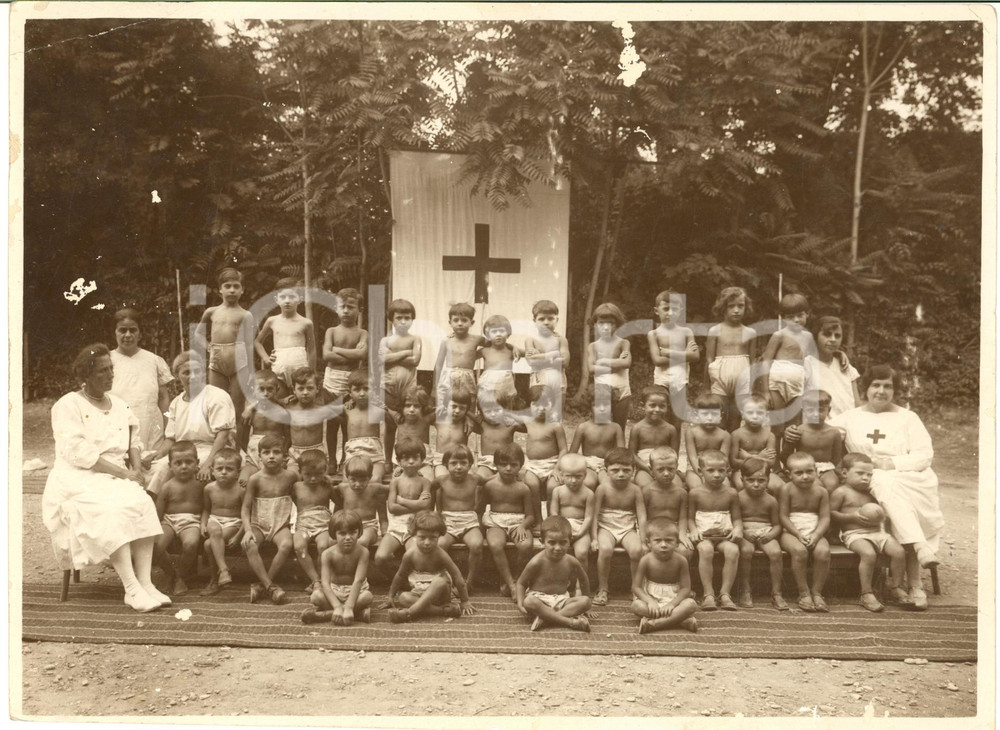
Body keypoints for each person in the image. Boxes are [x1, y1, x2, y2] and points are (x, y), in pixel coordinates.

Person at [43, 343, 166, 613]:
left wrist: (136, 472)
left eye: (111, 369)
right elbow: (79, 453)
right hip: (78, 477)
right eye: (102, 371)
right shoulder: (68, 405)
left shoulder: (119, 403)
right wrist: (124, 473)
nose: (109, 376)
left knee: (141, 502)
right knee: (112, 510)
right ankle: (131, 588)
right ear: (84, 376)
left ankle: (145, 583)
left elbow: (134, 439)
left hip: (115, 474)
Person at [825, 364, 944, 611]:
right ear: (866, 389)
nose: (881, 391)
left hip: (911, 476)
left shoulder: (908, 418)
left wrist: (891, 462)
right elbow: (823, 430)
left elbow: (924, 455)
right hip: (873, 478)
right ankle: (916, 568)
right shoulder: (851, 416)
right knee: (882, 481)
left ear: (895, 390)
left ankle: (914, 583)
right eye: (875, 385)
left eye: (887, 386)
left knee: (890, 485)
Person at [143, 351, 237, 495]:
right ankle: (153, 507)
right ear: (177, 376)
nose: (192, 376)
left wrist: (208, 463)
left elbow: (223, 435)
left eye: (197, 371)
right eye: (186, 372)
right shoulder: (176, 402)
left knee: (191, 469)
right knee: (158, 467)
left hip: (212, 449)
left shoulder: (217, 396)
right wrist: (159, 453)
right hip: (183, 450)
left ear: (204, 373)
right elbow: (171, 438)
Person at [830, 453, 908, 612]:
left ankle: (896, 587)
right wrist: (851, 516)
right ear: (845, 473)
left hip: (878, 532)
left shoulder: (872, 492)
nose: (865, 478)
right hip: (855, 534)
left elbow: (885, 510)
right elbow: (831, 513)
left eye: (869, 474)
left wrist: (881, 516)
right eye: (860, 473)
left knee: (899, 551)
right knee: (868, 554)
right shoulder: (841, 492)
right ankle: (866, 593)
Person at [388, 510, 476, 623]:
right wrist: (390, 595)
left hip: (440, 595)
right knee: (403, 598)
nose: (427, 542)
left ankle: (409, 613)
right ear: (414, 535)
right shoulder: (410, 554)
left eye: (433, 538)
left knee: (439, 581)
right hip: (419, 592)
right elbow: (400, 575)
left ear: (439, 536)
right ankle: (443, 611)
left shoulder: (440, 554)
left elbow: (457, 576)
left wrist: (465, 601)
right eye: (422, 537)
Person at [241, 434, 296, 604]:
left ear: (284, 456)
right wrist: (248, 530)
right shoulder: (255, 479)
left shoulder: (291, 476)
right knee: (250, 544)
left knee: (286, 544)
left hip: (280, 523)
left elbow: (302, 495)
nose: (271, 456)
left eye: (276, 452)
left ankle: (263, 585)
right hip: (259, 523)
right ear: (260, 456)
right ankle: (270, 586)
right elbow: (245, 508)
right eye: (266, 452)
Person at [109, 308, 174, 454]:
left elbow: (163, 398)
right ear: (115, 332)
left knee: (150, 465)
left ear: (140, 333)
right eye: (122, 330)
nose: (128, 335)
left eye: (133, 330)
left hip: (150, 425)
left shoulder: (153, 360)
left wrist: (167, 430)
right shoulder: (106, 361)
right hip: (117, 425)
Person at [196, 267, 256, 416]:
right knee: (217, 401)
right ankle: (221, 438)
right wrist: (208, 346)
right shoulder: (212, 311)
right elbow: (198, 333)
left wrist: (251, 370)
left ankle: (240, 439)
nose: (232, 290)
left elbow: (250, 343)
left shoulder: (246, 315)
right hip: (217, 359)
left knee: (237, 403)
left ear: (242, 290)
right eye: (227, 286)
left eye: (236, 286)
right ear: (220, 290)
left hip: (239, 360)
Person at [688, 450, 742, 611]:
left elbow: (737, 518)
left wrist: (738, 528)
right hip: (704, 536)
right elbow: (689, 518)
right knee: (705, 550)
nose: (716, 475)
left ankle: (725, 593)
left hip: (724, 536)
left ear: (728, 471)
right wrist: (693, 530)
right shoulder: (695, 493)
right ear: (700, 471)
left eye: (721, 470)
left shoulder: (731, 493)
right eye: (710, 470)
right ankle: (708, 593)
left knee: (733, 551)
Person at [517, 515, 592, 632]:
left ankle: (546, 620)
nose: (557, 548)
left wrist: (587, 608)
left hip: (561, 600)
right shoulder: (537, 561)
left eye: (563, 543)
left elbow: (584, 579)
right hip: (539, 599)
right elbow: (521, 583)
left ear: (569, 541)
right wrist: (520, 603)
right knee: (529, 602)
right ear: (542, 542)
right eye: (552, 542)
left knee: (586, 602)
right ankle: (569, 622)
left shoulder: (571, 561)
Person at [479, 443, 535, 599]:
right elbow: (480, 509)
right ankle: (509, 583)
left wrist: (523, 526)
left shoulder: (523, 488)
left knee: (525, 545)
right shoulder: (490, 485)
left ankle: (518, 579)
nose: (508, 469)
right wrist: (480, 529)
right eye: (503, 465)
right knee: (496, 544)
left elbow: (530, 515)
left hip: (518, 522)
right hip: (496, 520)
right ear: (496, 465)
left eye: (513, 465)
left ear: (520, 466)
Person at [592, 447, 646, 606]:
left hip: (627, 528)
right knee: (606, 549)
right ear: (606, 471)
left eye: (626, 470)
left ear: (633, 471)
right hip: (606, 527)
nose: (621, 474)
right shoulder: (602, 489)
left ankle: (636, 588)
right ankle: (603, 588)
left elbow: (642, 516)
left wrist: (643, 540)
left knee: (637, 550)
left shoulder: (635, 490)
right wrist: (594, 538)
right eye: (615, 470)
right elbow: (594, 515)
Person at [779, 452, 831, 613]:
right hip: (791, 531)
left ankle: (817, 592)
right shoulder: (786, 489)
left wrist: (816, 535)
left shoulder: (821, 491)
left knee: (823, 552)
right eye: (799, 473)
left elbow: (825, 517)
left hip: (814, 529)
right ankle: (803, 592)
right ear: (789, 474)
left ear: (816, 470)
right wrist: (797, 534)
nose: (805, 477)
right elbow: (783, 516)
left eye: (809, 471)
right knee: (799, 551)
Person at [322, 287, 368, 472]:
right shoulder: (331, 331)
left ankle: (346, 458)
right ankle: (332, 460)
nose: (346, 311)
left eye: (351, 307)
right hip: (331, 381)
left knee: (349, 421)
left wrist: (338, 350)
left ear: (360, 309)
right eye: (342, 307)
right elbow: (326, 355)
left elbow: (361, 354)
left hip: (352, 383)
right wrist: (352, 354)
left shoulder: (362, 333)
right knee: (332, 423)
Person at [301, 509, 374, 625]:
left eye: (353, 532)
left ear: (359, 532)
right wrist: (337, 605)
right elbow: (325, 583)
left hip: (355, 591)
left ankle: (324, 615)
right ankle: (356, 614)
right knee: (315, 596)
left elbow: (358, 581)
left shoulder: (363, 552)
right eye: (342, 533)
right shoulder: (327, 554)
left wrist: (349, 606)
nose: (348, 537)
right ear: (334, 534)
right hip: (334, 590)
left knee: (367, 596)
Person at [152, 441, 204, 595]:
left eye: (189, 462)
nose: (183, 466)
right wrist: (154, 529)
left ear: (197, 463)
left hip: (192, 521)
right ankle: (170, 573)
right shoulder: (167, 486)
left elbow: (208, 504)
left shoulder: (201, 483)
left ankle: (181, 576)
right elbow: (159, 510)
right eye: (178, 463)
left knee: (191, 544)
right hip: (169, 520)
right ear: (170, 465)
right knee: (156, 545)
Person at [374, 438, 433, 575]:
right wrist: (416, 504)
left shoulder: (425, 482)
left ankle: (408, 580)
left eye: (415, 458)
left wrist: (402, 500)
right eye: (406, 458)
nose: (411, 462)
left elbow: (425, 507)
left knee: (414, 556)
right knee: (380, 557)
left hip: (415, 528)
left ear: (422, 459)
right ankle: (396, 578)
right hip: (395, 528)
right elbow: (392, 508)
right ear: (399, 461)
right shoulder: (395, 482)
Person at [631, 519, 699, 634]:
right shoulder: (645, 560)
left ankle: (654, 624)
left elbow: (686, 588)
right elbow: (636, 587)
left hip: (674, 600)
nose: (663, 545)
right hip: (652, 599)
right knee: (636, 606)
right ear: (649, 543)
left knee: (691, 605)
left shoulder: (681, 561)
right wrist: (650, 602)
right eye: (657, 541)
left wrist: (672, 604)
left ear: (677, 543)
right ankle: (681, 621)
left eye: (669, 541)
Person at [736, 458, 787, 610]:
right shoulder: (738, 498)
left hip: (766, 531)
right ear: (742, 479)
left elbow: (777, 525)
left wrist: (771, 535)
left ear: (768, 480)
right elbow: (734, 521)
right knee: (746, 551)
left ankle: (777, 593)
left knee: (776, 553)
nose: (756, 485)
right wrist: (744, 533)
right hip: (745, 531)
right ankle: (745, 590)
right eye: (750, 480)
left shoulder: (771, 500)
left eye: (761, 480)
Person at [760, 293, 813, 441]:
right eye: (790, 317)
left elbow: (809, 361)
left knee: (794, 426)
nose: (796, 320)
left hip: (797, 384)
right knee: (777, 424)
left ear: (807, 314)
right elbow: (766, 362)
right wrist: (765, 391)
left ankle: (788, 458)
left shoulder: (808, 337)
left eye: (800, 315)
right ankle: (775, 461)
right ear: (783, 318)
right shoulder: (779, 335)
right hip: (778, 384)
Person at [647, 290, 698, 436]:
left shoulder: (686, 332)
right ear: (657, 311)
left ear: (680, 311)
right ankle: (659, 455)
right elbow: (657, 360)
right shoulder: (653, 334)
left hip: (680, 380)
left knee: (676, 420)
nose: (670, 313)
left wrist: (668, 353)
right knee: (660, 419)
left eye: (675, 309)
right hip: (661, 381)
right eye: (666, 309)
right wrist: (685, 355)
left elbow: (695, 356)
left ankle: (673, 456)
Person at [433, 444, 484, 590]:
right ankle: (448, 578)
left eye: (463, 463)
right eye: (453, 463)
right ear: (445, 464)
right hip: (447, 521)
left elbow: (492, 481)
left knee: (476, 544)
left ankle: (470, 581)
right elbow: (428, 488)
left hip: (469, 521)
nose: (459, 467)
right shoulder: (441, 480)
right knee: (440, 544)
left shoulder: (475, 479)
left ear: (470, 464)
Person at [705, 287, 757, 431]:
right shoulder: (715, 331)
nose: (736, 310)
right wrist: (706, 388)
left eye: (740, 306)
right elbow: (709, 360)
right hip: (720, 377)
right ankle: (718, 452)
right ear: (723, 308)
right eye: (731, 306)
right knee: (719, 417)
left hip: (742, 378)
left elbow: (753, 362)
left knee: (736, 418)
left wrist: (752, 387)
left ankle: (732, 453)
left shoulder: (750, 332)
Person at [254, 277, 316, 393]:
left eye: (292, 297)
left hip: (300, 369)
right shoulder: (272, 321)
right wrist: (266, 358)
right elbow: (258, 342)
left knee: (299, 404)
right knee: (279, 399)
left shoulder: (306, 323)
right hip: (279, 369)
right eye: (283, 297)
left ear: (300, 299)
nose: (287, 301)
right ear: (276, 299)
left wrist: (310, 373)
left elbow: (312, 349)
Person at [379, 298, 421, 468]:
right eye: (399, 318)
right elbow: (383, 360)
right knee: (390, 426)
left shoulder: (415, 339)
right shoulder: (385, 341)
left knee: (408, 427)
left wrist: (393, 357)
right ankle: (388, 460)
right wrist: (405, 352)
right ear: (391, 319)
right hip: (388, 388)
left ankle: (407, 460)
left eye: (407, 318)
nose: (403, 322)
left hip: (408, 390)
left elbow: (415, 360)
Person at [199, 448, 245, 596]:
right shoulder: (209, 489)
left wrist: (238, 536)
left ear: (238, 472)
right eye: (219, 468)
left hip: (233, 523)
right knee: (215, 530)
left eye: (229, 469)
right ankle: (224, 570)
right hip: (214, 520)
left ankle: (214, 579)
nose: (224, 472)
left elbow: (246, 514)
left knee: (208, 545)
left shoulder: (241, 490)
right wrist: (202, 523)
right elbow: (206, 509)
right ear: (212, 471)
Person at [331, 369, 387, 485]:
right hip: (353, 453)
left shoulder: (377, 409)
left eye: (366, 389)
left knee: (375, 480)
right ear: (350, 392)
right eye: (356, 390)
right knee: (347, 483)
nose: (362, 393)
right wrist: (348, 400)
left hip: (374, 455)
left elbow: (394, 418)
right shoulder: (347, 409)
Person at [523, 385, 567, 529]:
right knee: (531, 484)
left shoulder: (555, 426)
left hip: (552, 463)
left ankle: (550, 519)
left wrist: (557, 468)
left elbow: (563, 450)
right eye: (536, 404)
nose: (540, 408)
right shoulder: (527, 422)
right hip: (533, 464)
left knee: (553, 487)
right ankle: (538, 519)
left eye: (545, 404)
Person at [291, 449, 335, 593]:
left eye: (318, 475)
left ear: (325, 471)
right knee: (299, 546)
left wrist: (333, 519)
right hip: (303, 526)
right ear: (300, 472)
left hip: (323, 525)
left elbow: (340, 502)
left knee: (324, 546)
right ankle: (315, 580)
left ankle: (322, 579)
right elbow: (290, 501)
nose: (313, 479)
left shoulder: (327, 487)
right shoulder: (297, 487)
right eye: (308, 475)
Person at [781, 390, 843, 492]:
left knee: (832, 484)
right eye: (810, 410)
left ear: (829, 410)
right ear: (804, 411)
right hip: (804, 468)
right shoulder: (799, 431)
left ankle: (828, 507)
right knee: (815, 487)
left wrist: (839, 474)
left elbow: (836, 458)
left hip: (826, 467)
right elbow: (786, 455)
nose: (815, 414)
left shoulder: (834, 432)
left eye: (820, 410)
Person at [566, 384, 623, 490]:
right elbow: (572, 454)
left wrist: (613, 466)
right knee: (588, 483)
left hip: (607, 464)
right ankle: (588, 505)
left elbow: (621, 453)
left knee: (607, 484)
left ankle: (602, 506)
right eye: (596, 405)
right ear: (589, 406)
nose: (601, 409)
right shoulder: (583, 427)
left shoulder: (615, 428)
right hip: (588, 464)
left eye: (606, 404)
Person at [803, 315, 861, 419]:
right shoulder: (806, 365)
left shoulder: (846, 366)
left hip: (848, 428)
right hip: (820, 430)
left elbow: (857, 404)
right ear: (816, 336)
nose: (833, 339)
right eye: (827, 334)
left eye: (837, 336)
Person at [587, 302, 631, 434]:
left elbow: (626, 363)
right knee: (602, 426)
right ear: (595, 324)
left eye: (610, 323)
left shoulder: (623, 343)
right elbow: (591, 369)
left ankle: (620, 453)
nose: (606, 327)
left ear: (616, 324)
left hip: (622, 389)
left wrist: (603, 361)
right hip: (601, 390)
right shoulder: (593, 346)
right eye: (601, 323)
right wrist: (616, 363)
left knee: (619, 426)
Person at [237, 369, 290, 479]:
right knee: (244, 481)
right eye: (261, 389)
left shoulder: (282, 412)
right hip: (254, 453)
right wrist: (252, 452)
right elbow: (243, 438)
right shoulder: (250, 413)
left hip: (275, 453)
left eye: (270, 389)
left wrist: (283, 455)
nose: (265, 393)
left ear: (277, 389)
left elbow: (289, 438)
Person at [641, 447, 692, 560]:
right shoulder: (647, 491)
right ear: (651, 469)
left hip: (673, 529)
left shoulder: (681, 493)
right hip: (652, 530)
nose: (666, 473)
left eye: (670, 469)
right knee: (644, 549)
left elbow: (683, 518)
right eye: (660, 469)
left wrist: (682, 533)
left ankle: (678, 577)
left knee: (686, 550)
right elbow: (642, 516)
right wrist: (644, 535)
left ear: (677, 467)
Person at [434, 302, 484, 415]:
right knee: (445, 407)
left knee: (468, 407)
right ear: (450, 322)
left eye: (464, 320)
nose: (460, 323)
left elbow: (493, 346)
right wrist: (434, 389)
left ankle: (465, 430)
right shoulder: (447, 341)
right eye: (456, 320)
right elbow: (438, 365)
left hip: (467, 377)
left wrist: (475, 355)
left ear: (472, 322)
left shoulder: (477, 339)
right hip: (448, 376)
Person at [729, 394, 784, 493]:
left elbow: (771, 463)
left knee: (780, 486)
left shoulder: (769, 436)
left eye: (759, 413)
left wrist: (749, 457)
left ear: (766, 415)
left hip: (764, 471)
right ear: (743, 413)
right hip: (741, 471)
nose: (754, 416)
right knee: (741, 485)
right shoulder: (736, 434)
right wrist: (761, 457)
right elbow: (733, 462)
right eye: (750, 413)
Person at [549, 453, 596, 568]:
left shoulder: (588, 494)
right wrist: (561, 528)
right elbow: (554, 513)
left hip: (581, 527)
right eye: (568, 476)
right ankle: (558, 580)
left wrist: (580, 534)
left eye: (578, 476)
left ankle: (581, 584)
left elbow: (589, 517)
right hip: (561, 525)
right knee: (554, 551)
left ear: (585, 475)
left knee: (582, 553)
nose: (573, 480)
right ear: (561, 475)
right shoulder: (558, 491)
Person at [286, 368, 334, 474]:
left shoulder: (321, 409)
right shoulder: (289, 408)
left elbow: (342, 411)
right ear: (294, 389)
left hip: (316, 452)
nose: (305, 392)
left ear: (317, 389)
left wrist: (352, 402)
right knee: (292, 476)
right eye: (301, 389)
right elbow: (269, 402)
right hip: (295, 452)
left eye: (310, 388)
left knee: (319, 479)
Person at [629, 385, 679, 487]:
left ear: (667, 406)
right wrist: (647, 468)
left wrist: (668, 468)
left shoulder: (670, 429)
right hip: (644, 467)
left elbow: (674, 454)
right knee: (646, 486)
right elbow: (632, 454)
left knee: (677, 486)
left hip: (666, 466)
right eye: (652, 405)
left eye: (662, 406)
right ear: (643, 405)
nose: (657, 409)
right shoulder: (637, 428)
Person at [524, 299, 570, 408]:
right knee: (539, 412)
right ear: (534, 321)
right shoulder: (531, 340)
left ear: (557, 320)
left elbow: (565, 362)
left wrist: (539, 357)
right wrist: (554, 356)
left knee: (556, 415)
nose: (546, 322)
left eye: (550, 318)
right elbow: (531, 362)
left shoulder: (561, 340)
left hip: (558, 381)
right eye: (541, 319)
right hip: (538, 381)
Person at [334, 455, 386, 548]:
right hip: (347, 525)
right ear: (347, 477)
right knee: (332, 542)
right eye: (353, 480)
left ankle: (359, 561)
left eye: (363, 480)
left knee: (362, 541)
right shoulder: (342, 488)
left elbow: (395, 488)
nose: (358, 484)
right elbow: (336, 505)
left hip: (368, 527)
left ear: (370, 477)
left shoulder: (375, 489)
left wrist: (384, 530)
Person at [684, 393, 731, 490]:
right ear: (697, 415)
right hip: (695, 469)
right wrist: (702, 475)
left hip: (717, 470)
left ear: (721, 415)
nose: (709, 418)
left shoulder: (725, 435)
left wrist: (713, 474)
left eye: (714, 414)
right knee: (696, 487)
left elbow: (723, 459)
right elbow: (692, 457)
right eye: (705, 414)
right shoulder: (691, 432)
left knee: (726, 487)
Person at [478, 314, 520, 410]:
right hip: (488, 386)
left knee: (508, 407)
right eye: (494, 331)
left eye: (501, 331)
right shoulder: (485, 351)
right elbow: (469, 355)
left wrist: (515, 347)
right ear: (488, 335)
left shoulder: (510, 351)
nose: (498, 334)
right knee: (486, 407)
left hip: (506, 386)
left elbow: (529, 353)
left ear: (508, 333)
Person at [393, 386, 436, 480]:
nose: (412, 409)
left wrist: (468, 417)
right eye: (408, 405)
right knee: (396, 480)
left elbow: (446, 410)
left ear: (423, 407)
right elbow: (382, 407)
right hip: (402, 461)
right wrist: (353, 401)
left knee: (428, 480)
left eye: (416, 406)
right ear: (401, 406)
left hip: (423, 461)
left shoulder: (426, 419)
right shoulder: (398, 419)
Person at [432, 392, 475, 479]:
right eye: (453, 406)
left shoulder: (467, 424)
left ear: (467, 410)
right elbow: (422, 413)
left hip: (460, 459)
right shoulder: (439, 419)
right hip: (441, 460)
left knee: (471, 480)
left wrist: (468, 417)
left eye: (462, 408)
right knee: (442, 480)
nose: (457, 411)